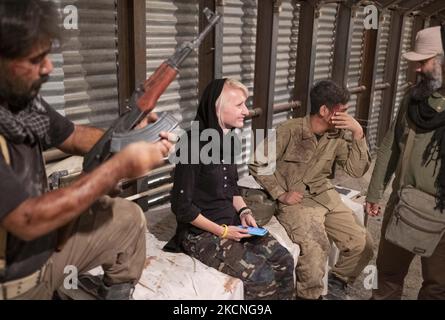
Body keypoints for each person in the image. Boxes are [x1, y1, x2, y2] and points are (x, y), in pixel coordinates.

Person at [0, 0, 172, 300]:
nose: (49, 67)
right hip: (15, 285)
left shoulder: (20, 102)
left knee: (128, 220)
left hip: (46, 248)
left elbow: (73, 135)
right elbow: (27, 220)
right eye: (35, 59)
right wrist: (116, 169)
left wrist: (129, 135)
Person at [165, 78, 295, 300]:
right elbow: (182, 207)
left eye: (245, 104)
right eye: (239, 105)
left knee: (284, 259)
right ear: (217, 107)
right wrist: (224, 232)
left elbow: (232, 187)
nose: (246, 111)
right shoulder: (192, 145)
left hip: (232, 221)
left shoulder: (228, 140)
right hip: (202, 234)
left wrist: (244, 212)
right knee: (260, 275)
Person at [250, 80, 373, 300]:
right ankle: (309, 296)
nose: (347, 116)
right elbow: (258, 163)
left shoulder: (340, 134)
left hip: (325, 194)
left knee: (363, 244)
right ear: (324, 110)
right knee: (316, 251)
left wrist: (358, 133)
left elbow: (355, 171)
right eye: (342, 111)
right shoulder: (290, 130)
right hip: (296, 200)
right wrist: (280, 194)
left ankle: (338, 282)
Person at [366, 26, 445, 300]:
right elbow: (390, 144)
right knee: (386, 276)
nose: (417, 70)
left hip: (441, 214)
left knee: (437, 287)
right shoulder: (413, 98)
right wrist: (375, 191)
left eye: (423, 62)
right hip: (403, 205)